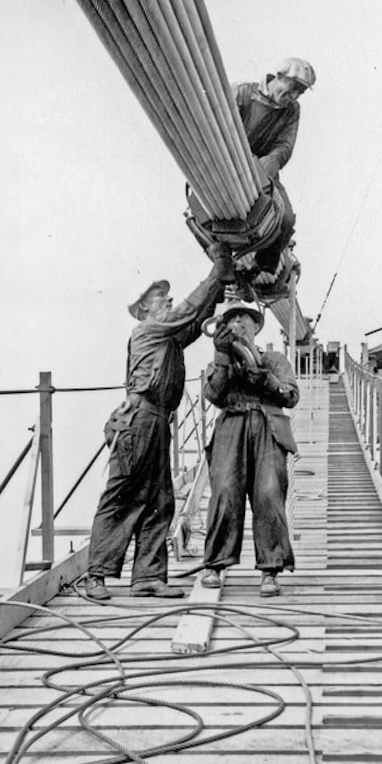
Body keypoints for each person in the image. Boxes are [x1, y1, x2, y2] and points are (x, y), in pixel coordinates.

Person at [82, 251, 235, 601]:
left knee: (160, 500)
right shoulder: (148, 330)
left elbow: (193, 323)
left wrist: (218, 291)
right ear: (145, 310)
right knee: (121, 498)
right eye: (159, 298)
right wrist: (216, 273)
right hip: (139, 421)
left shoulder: (166, 337)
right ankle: (97, 576)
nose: (167, 299)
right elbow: (185, 312)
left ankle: (148, 577)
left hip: (157, 422)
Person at [200, 301, 299, 596]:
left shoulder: (276, 359)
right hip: (232, 425)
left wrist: (268, 381)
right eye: (232, 319)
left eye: (245, 318)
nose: (239, 324)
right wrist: (222, 358)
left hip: (268, 427)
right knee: (225, 491)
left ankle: (270, 570)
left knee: (269, 493)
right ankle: (215, 564)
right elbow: (213, 395)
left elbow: (291, 395)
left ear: (256, 326)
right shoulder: (221, 360)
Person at [232, 57, 316, 272]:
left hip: (264, 169)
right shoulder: (242, 93)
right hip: (230, 163)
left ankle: (258, 269)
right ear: (278, 76)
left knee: (285, 219)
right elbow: (220, 129)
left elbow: (284, 145)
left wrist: (270, 163)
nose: (295, 96)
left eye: (300, 92)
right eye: (293, 87)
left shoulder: (292, 110)